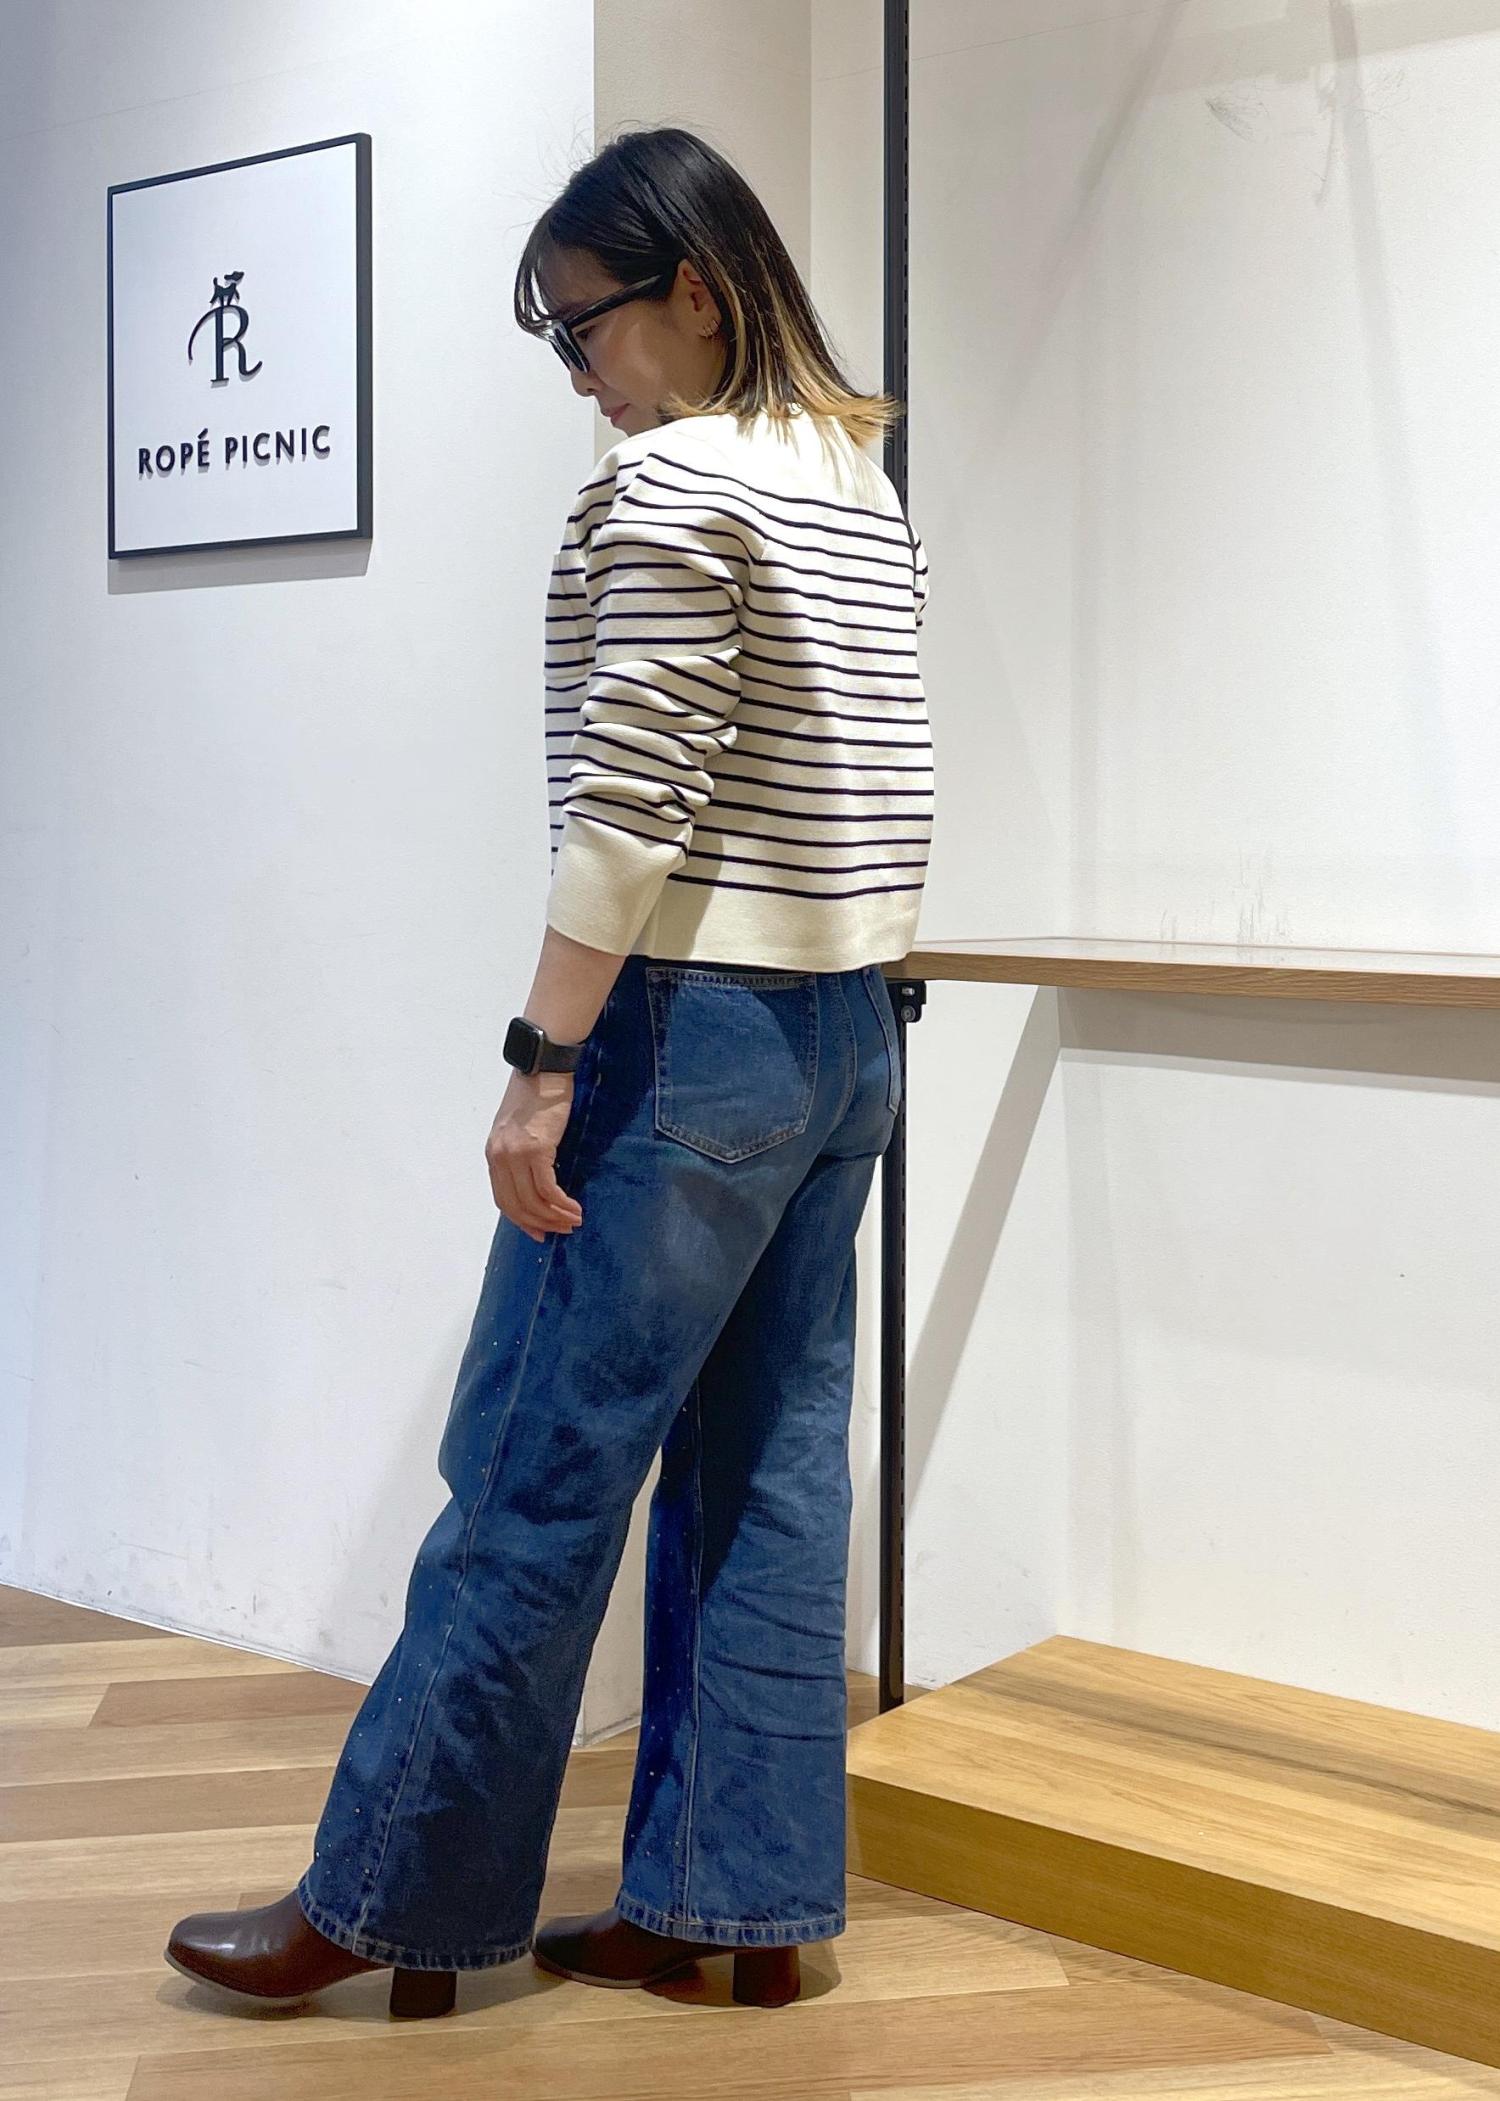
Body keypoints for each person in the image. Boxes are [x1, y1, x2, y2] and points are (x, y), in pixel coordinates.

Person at [164, 123, 932, 2022]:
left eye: (584, 328)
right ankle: (733, 1906)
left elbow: (630, 806)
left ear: (697, 290)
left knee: (531, 1471)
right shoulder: (859, 482)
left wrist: (541, 1061)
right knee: (771, 1477)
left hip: (684, 1033)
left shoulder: (668, 488)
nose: (578, 375)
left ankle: (392, 1898)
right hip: (850, 1032)